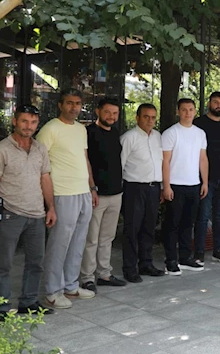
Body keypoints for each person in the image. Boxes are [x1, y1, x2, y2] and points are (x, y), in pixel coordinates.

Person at [0, 105, 57, 316]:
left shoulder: (40, 149)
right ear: (15, 121)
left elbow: (45, 178)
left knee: (36, 263)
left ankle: (28, 302)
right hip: (10, 214)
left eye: (33, 122)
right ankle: (1, 308)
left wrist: (51, 208)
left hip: (37, 214)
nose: (29, 126)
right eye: (25, 121)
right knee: (4, 264)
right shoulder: (1, 150)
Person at [37, 89, 98, 309]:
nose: (74, 107)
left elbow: (85, 159)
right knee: (59, 243)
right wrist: (48, 201)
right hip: (62, 193)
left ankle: (71, 285)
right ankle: (53, 291)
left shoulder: (81, 129)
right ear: (60, 105)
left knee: (78, 241)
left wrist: (92, 187)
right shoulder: (50, 129)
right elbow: (39, 164)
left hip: (83, 192)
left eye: (78, 103)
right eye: (69, 103)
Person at [80, 98, 126, 292]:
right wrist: (92, 188)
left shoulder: (115, 133)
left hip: (116, 193)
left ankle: (104, 273)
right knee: (91, 238)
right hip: (96, 194)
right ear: (98, 111)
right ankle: (87, 277)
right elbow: (85, 163)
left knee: (107, 237)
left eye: (115, 113)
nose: (111, 116)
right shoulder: (88, 133)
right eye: (107, 112)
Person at [161, 98, 208, 275]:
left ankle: (185, 257)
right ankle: (170, 260)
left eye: (190, 109)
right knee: (172, 224)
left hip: (194, 184)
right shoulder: (171, 133)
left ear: (195, 111)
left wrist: (205, 182)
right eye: (184, 109)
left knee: (188, 223)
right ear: (178, 111)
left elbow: (203, 159)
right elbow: (165, 161)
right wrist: (166, 186)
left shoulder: (200, 133)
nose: (187, 113)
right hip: (175, 185)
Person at [120, 103, 165, 282]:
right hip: (134, 188)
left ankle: (146, 263)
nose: (150, 121)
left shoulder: (158, 137)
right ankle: (130, 268)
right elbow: (120, 165)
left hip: (154, 188)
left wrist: (162, 187)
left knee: (149, 227)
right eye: (146, 117)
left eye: (153, 117)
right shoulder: (128, 138)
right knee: (132, 228)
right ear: (137, 117)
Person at [194, 91, 220, 264]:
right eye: (216, 102)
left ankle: (219, 250)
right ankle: (199, 252)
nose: (219, 106)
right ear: (209, 103)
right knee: (202, 217)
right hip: (204, 179)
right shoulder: (198, 124)